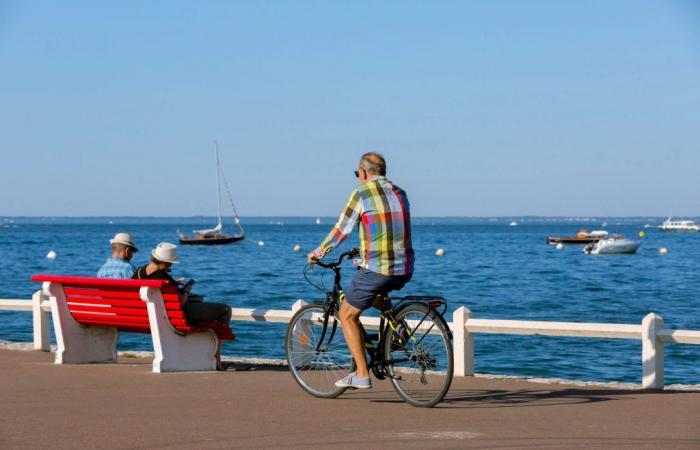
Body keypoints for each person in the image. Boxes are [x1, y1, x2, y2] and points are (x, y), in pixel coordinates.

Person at [307, 152, 414, 389]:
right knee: (373, 294)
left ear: (363, 172)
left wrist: (318, 253)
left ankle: (362, 374)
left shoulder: (361, 193)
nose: (358, 178)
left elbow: (341, 230)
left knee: (346, 314)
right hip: (405, 267)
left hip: (378, 268)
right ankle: (397, 328)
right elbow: (388, 229)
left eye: (358, 174)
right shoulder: (401, 193)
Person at [133, 242, 233, 371]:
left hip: (146, 317)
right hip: (175, 317)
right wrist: (186, 290)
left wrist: (175, 284)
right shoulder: (163, 277)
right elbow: (179, 303)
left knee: (199, 304)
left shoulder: (139, 272)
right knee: (225, 310)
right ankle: (216, 356)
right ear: (166, 262)